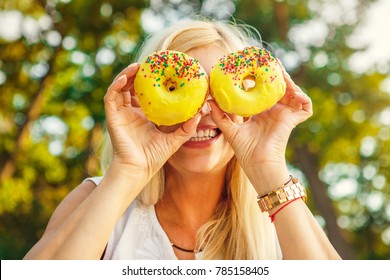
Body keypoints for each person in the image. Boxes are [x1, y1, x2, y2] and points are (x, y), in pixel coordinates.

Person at [24, 18, 341, 260]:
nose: (202, 111)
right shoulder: (95, 201)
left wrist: (267, 165)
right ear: (145, 104)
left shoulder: (281, 223)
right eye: (183, 91)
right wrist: (130, 170)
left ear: (251, 109)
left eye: (217, 93)